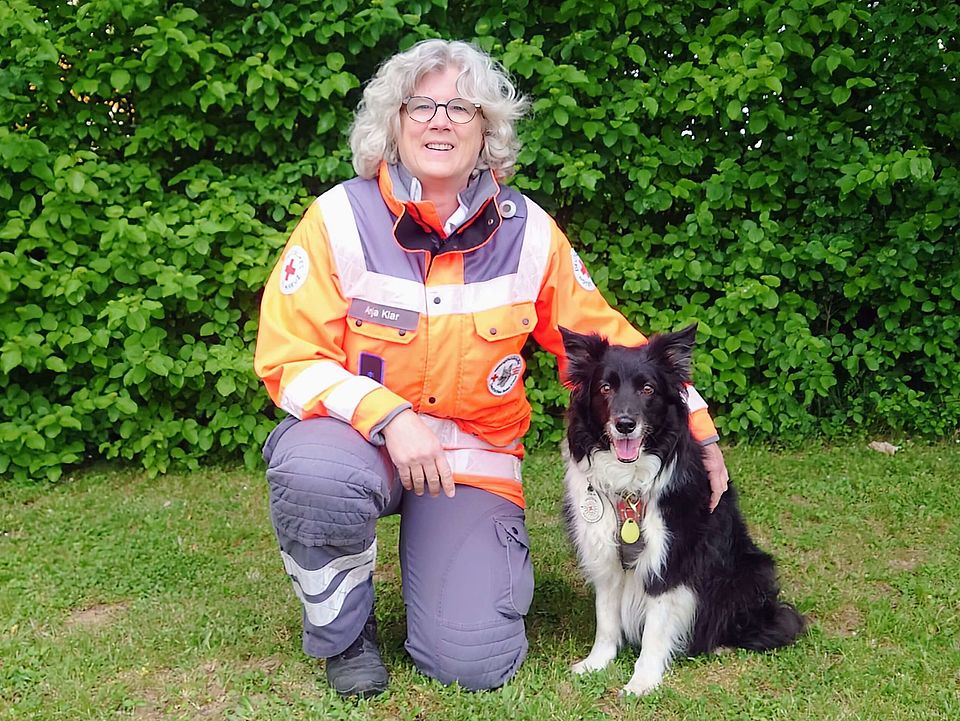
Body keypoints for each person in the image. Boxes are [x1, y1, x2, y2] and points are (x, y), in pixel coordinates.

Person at [254, 38, 729, 699]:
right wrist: (388, 415)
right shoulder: (338, 219)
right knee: (314, 470)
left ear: (487, 132)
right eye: (421, 105)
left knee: (473, 662)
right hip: (360, 444)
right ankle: (346, 634)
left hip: (471, 463)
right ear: (394, 122)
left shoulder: (527, 230)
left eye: (461, 107)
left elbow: (609, 341)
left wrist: (698, 426)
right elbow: (289, 358)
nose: (439, 120)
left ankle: (451, 576)